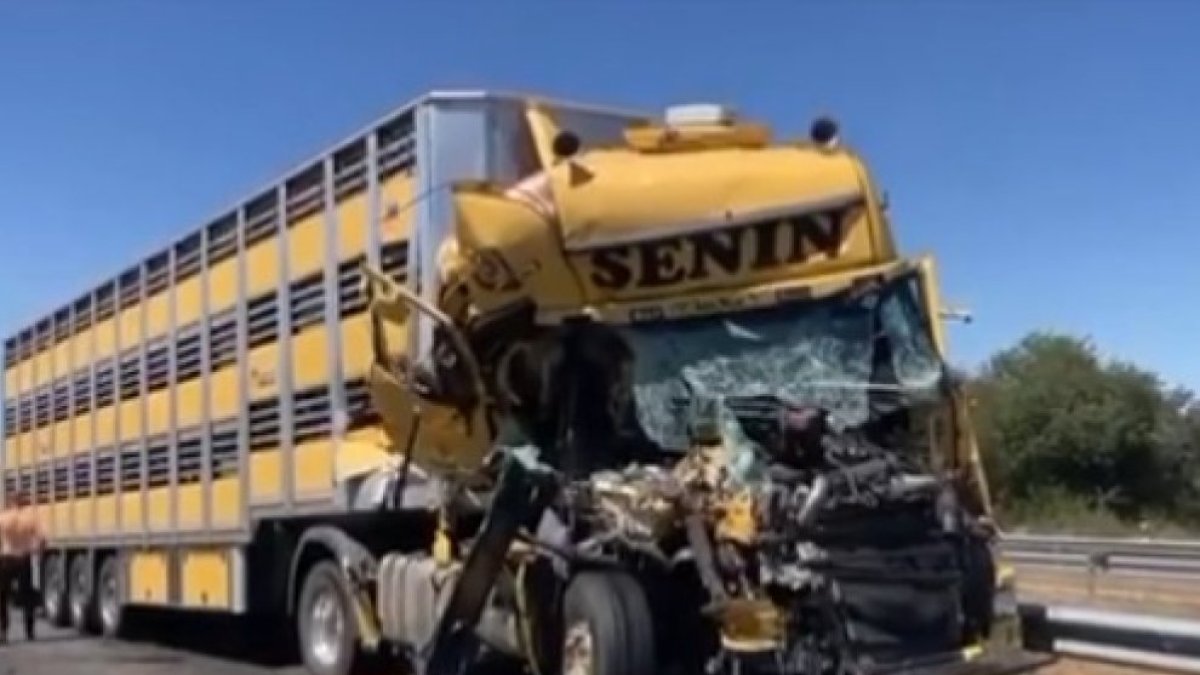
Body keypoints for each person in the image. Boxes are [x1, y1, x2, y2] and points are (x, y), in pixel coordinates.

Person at [0, 489, 45, 642]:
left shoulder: (4, 517)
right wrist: (37, 551)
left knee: (3, 597)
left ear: (11, 502)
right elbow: (42, 538)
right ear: (23, 501)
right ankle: (30, 631)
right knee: (28, 596)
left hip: (6, 558)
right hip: (24, 558)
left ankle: (3, 632)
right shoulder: (30, 517)